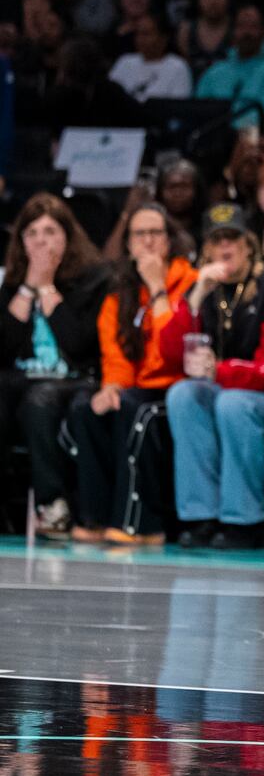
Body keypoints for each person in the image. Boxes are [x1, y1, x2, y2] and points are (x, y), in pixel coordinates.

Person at [160, 203, 264, 549]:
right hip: (226, 393)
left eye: (232, 238)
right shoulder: (205, 291)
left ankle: (244, 520)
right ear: (206, 249)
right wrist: (195, 296)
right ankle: (200, 515)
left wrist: (220, 370)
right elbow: (171, 353)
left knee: (232, 404)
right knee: (182, 395)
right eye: (217, 240)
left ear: (248, 244)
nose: (225, 248)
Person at [66, 205, 198, 545]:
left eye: (156, 233)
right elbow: (115, 352)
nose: (148, 242)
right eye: (140, 234)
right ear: (128, 244)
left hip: (177, 389)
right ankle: (94, 518)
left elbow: (172, 353)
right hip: (136, 389)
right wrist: (111, 387)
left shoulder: (190, 283)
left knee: (136, 411)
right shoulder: (117, 293)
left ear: (169, 241)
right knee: (87, 409)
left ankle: (141, 525)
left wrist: (157, 287)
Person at [0, 194, 109, 538]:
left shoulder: (94, 280)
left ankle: (52, 505)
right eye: (31, 233)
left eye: (50, 231)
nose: (41, 240)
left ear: (67, 236)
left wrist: (46, 286)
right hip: (22, 375)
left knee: (40, 400)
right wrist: (28, 287)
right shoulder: (13, 285)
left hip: (76, 378)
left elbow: (78, 344)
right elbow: (3, 348)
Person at [108, 16, 193, 102]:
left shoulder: (178, 66)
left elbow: (179, 106)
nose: (140, 39)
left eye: (146, 34)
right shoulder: (125, 62)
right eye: (138, 34)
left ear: (163, 38)